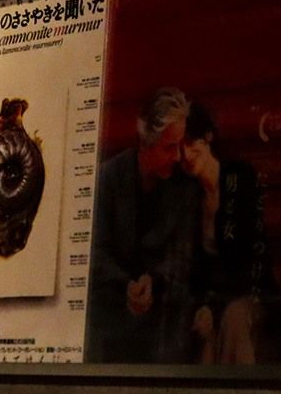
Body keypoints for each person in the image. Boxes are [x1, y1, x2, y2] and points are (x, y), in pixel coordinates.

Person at [86, 86, 203, 363]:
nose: (178, 156)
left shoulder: (185, 188)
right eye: (169, 147)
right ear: (144, 144)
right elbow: (94, 249)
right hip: (110, 311)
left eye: (180, 145)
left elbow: (183, 256)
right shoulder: (109, 178)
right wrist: (126, 286)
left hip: (162, 317)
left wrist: (153, 281)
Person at [181, 102, 271, 364]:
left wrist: (214, 306)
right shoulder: (187, 195)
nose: (186, 154)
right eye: (179, 147)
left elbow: (248, 259)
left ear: (208, 137)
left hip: (250, 294)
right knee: (204, 337)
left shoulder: (239, 176)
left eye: (191, 142)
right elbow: (192, 269)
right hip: (211, 299)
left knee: (234, 319)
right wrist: (202, 306)